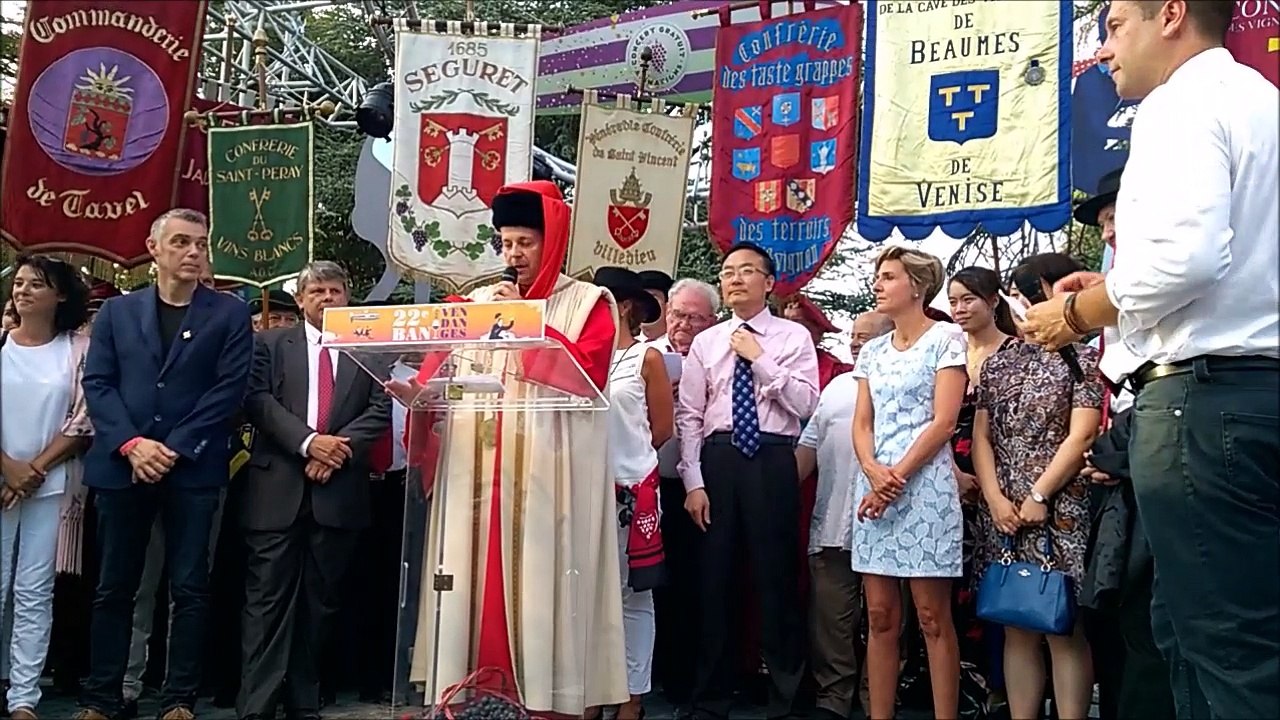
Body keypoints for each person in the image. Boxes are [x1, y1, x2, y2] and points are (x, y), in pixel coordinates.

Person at [1020, 3, 1279, 717]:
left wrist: (1076, 313)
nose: (1105, 50)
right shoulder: (1262, 101)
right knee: (1210, 635)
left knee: (1224, 649)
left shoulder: (1179, 102)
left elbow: (1185, 262)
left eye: (1115, 25)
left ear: (1170, 14)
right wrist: (1115, 289)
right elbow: (1234, 267)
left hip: (1202, 405)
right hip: (1254, 394)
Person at [389, 180, 628, 715]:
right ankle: (467, 691)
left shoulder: (588, 304)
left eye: (524, 242)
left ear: (551, 240)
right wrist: (419, 395)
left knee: (541, 580)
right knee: (469, 577)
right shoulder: (475, 304)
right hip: (476, 469)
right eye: (506, 243)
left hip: (549, 470)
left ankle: (544, 699)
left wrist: (523, 318)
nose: (513, 254)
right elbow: (438, 368)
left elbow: (587, 373)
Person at [76, 208, 253, 720]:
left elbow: (228, 390)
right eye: (180, 242)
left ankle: (178, 698)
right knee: (115, 587)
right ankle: (103, 697)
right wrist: (132, 444)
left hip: (192, 468)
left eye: (200, 243)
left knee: (189, 587)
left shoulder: (229, 314)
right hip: (123, 467)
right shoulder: (117, 312)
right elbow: (99, 384)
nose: (193, 252)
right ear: (154, 249)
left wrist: (173, 447)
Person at [237, 261, 391, 720]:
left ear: (348, 297)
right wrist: (309, 444)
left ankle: (304, 701)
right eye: (317, 291)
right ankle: (258, 705)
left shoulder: (368, 349)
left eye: (335, 290)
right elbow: (258, 401)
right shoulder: (269, 344)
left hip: (337, 494)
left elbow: (381, 407)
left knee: (321, 604)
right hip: (276, 491)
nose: (327, 298)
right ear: (300, 299)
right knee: (266, 602)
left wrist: (335, 451)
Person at [677, 241, 818, 720]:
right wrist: (693, 482)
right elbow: (690, 415)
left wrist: (760, 358)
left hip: (771, 458)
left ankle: (786, 699)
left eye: (746, 271)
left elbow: (807, 404)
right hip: (718, 460)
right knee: (714, 580)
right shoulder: (706, 342)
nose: (735, 279)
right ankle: (711, 698)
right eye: (727, 272)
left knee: (776, 577)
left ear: (769, 282)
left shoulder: (792, 337)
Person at [972, 253, 1104, 720]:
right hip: (1003, 506)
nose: (1020, 305)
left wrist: (1039, 495)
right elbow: (981, 437)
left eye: (1026, 293)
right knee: (1016, 622)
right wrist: (994, 497)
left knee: (1061, 623)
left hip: (1059, 505)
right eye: (1012, 295)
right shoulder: (999, 362)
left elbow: (1082, 434)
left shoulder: (1084, 359)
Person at [850, 246, 966, 720]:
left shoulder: (946, 338)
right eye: (878, 276)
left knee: (932, 616)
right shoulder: (872, 351)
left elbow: (944, 422)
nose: (878, 284)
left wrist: (893, 478)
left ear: (917, 286)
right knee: (880, 616)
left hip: (926, 488)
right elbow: (862, 423)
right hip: (875, 487)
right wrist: (872, 470)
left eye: (889, 276)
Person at [0, 255, 93, 720]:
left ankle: (24, 696)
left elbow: (83, 420)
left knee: (33, 591)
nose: (23, 291)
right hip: (3, 482)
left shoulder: (77, 349)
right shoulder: (0, 345)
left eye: (36, 284)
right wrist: (8, 469)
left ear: (60, 295)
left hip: (50, 485)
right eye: (19, 283)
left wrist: (32, 470)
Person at [795, 311, 890, 720]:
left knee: (887, 618)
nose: (854, 342)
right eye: (853, 335)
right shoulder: (836, 386)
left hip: (888, 520)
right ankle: (833, 699)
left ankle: (878, 699)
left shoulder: (904, 383)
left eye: (865, 336)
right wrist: (777, 490)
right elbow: (809, 445)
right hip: (833, 518)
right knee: (831, 619)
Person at [592, 266, 674, 720]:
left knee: (633, 595)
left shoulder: (647, 357)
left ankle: (632, 695)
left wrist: (630, 462)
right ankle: (591, 690)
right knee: (588, 591)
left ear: (622, 306)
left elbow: (662, 428)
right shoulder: (583, 355)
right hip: (585, 485)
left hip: (632, 488)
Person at [650, 277, 718, 706]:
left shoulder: (718, 356)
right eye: (678, 315)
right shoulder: (646, 356)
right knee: (650, 581)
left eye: (696, 318)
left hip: (700, 487)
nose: (684, 325)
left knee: (695, 581)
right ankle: (652, 672)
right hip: (651, 484)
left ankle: (689, 678)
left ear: (712, 320)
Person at [637, 270, 674, 343]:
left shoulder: (679, 346)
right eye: (639, 298)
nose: (645, 304)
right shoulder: (620, 345)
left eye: (653, 298)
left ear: (668, 306)